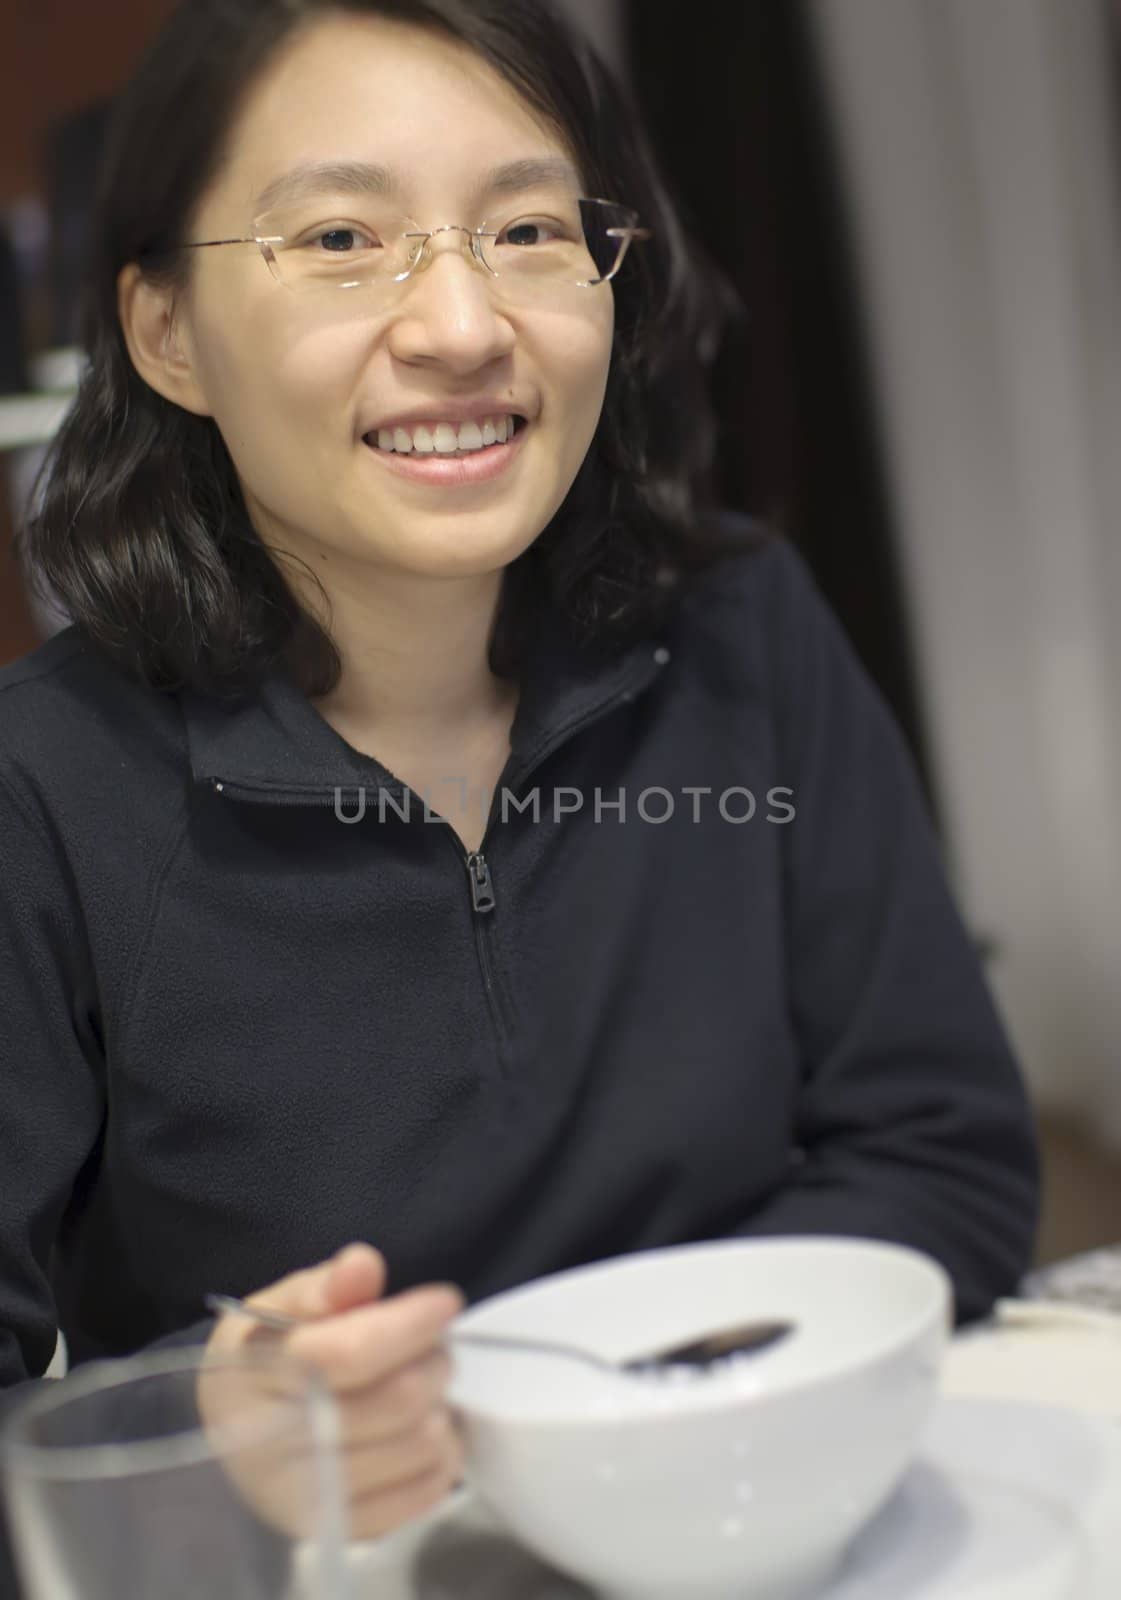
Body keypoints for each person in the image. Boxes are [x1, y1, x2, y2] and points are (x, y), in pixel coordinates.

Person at [1, 0, 1038, 1562]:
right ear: (165, 333)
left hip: (781, 1523)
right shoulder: (42, 790)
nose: (463, 325)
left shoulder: (744, 631)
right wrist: (199, 1437)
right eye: (343, 237)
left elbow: (940, 1154)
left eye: (528, 229)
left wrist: (611, 1426)